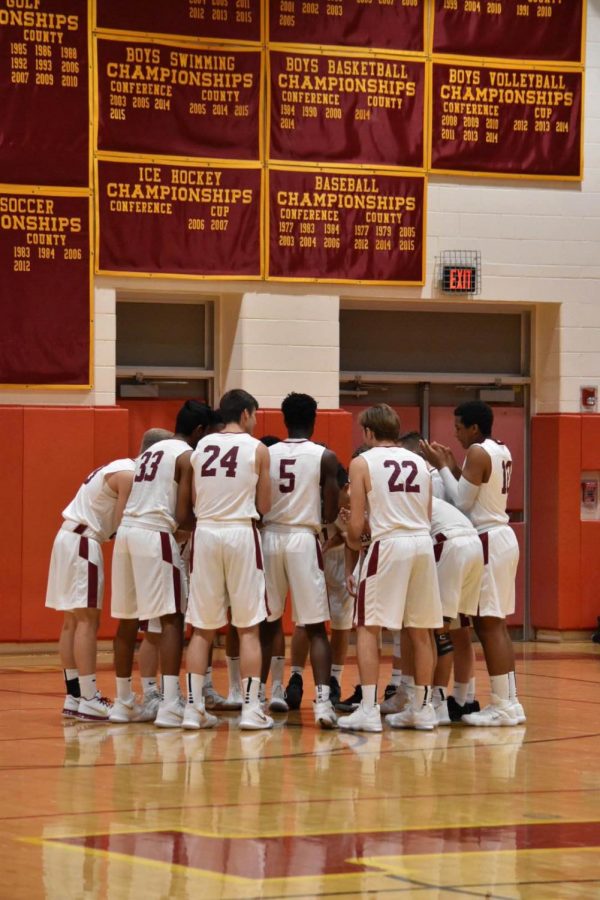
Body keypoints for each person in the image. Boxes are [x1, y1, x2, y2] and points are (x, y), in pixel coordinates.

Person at [111, 400, 217, 728]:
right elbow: (184, 515)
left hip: (127, 533)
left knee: (129, 621)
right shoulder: (186, 456)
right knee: (172, 619)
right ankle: (171, 704)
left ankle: (123, 702)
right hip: (155, 535)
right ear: (199, 431)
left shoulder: (150, 451)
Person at [339, 404, 443, 732]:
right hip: (422, 545)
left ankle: (368, 710)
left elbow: (356, 527)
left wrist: (356, 540)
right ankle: (423, 709)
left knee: (369, 626)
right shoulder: (420, 463)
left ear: (368, 432)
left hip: (389, 545)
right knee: (421, 629)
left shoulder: (362, 461)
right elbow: (426, 515)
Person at [421, 400, 524, 726]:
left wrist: (440, 467)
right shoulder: (499, 449)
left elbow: (463, 503)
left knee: (489, 625)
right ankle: (509, 702)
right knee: (494, 624)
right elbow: (470, 491)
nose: (456, 433)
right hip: (500, 537)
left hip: (488, 538)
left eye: (458, 427)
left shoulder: (479, 452)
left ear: (474, 427)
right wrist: (452, 468)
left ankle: (504, 706)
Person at [183, 389, 273, 730]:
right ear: (247, 414)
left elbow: (194, 499)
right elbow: (264, 506)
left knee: (202, 630)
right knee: (248, 627)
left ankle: (193, 710)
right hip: (240, 533)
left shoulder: (201, 446)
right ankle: (251, 710)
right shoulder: (257, 448)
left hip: (205, 533)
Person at [260, 393, 340, 729]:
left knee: (267, 624)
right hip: (303, 539)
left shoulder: (264, 452)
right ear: (315, 418)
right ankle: (322, 703)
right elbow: (333, 510)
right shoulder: (325, 455)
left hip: (269, 537)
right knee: (315, 628)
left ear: (283, 419)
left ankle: (258, 698)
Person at [45, 453, 135, 720]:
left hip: (67, 537)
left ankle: (74, 696)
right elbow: (122, 524)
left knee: (72, 621)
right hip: (84, 541)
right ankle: (88, 697)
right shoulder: (129, 475)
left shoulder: (116, 466)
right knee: (87, 622)